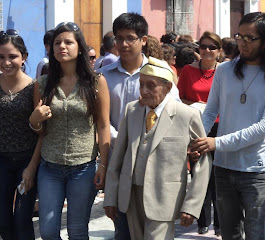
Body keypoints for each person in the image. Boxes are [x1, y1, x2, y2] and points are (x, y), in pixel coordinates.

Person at [191, 12, 265, 240]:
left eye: (249, 38)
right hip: (224, 168)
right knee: (229, 234)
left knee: (255, 235)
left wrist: (217, 142)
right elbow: (211, 111)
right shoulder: (225, 71)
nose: (242, 43)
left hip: (256, 170)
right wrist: (199, 139)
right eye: (239, 36)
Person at [104, 56, 212, 239]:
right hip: (130, 196)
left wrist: (192, 205)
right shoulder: (132, 110)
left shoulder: (186, 115)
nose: (144, 91)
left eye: (151, 85)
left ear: (168, 88)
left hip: (164, 198)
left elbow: (203, 163)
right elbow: (118, 157)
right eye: (141, 84)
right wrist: (110, 196)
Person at [98, 12, 180, 240]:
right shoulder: (103, 77)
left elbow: (173, 112)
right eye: (119, 38)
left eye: (130, 38)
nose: (123, 44)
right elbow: (101, 121)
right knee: (123, 228)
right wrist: (121, 139)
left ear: (144, 40)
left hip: (155, 163)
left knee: (154, 229)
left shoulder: (161, 71)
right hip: (119, 161)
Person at [29, 22, 110, 239]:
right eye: (57, 43)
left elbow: (103, 124)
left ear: (80, 47)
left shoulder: (96, 82)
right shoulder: (43, 83)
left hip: (83, 168)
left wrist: (103, 164)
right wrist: (34, 120)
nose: (61, 47)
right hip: (50, 167)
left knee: (77, 230)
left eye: (68, 42)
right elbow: (39, 129)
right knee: (47, 230)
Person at [177, 31, 221, 236]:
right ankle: (202, 220)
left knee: (219, 176)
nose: (207, 50)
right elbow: (180, 98)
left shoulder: (225, 71)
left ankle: (220, 222)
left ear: (219, 51)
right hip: (196, 126)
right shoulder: (188, 70)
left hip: (220, 128)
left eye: (212, 47)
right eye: (203, 46)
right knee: (199, 172)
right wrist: (198, 105)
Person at [0, 29, 39, 240]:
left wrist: (32, 168)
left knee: (22, 220)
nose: (6, 62)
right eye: (1, 57)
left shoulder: (35, 87)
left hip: (27, 161)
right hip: (1, 163)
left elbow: (42, 132)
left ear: (24, 57)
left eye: (12, 56)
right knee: (3, 222)